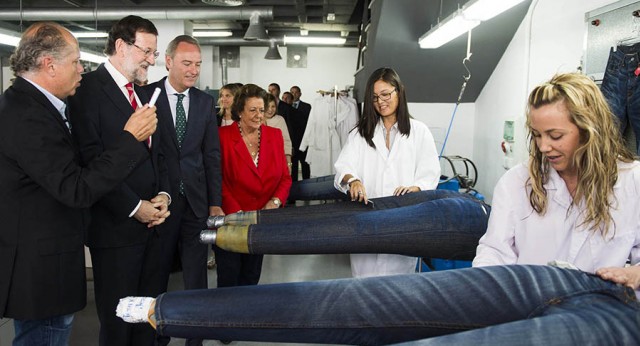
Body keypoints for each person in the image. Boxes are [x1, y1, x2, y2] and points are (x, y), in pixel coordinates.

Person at [118, 72, 640, 345]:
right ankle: (169, 304)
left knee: (368, 246)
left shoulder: (632, 184)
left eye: (556, 135)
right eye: (537, 135)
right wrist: (472, 302)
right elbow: (495, 256)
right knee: (360, 269)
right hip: (508, 272)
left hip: (603, 296)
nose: (545, 146)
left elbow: (430, 175)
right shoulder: (517, 183)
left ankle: (196, 273)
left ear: (589, 128)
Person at [0, 22, 158, 346]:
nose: (81, 69)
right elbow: (76, 188)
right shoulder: (28, 115)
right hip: (41, 270)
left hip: (47, 262)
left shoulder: (36, 107)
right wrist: (130, 139)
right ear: (49, 64)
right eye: (75, 62)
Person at [68, 15, 171, 346]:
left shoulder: (141, 93)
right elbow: (91, 162)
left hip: (153, 228)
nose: (152, 61)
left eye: (154, 54)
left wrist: (163, 196)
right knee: (117, 324)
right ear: (121, 46)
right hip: (115, 230)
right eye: (147, 52)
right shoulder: (86, 92)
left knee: (147, 319)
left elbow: (158, 155)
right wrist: (134, 207)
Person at [143, 35, 223, 346]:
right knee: (157, 273)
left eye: (198, 64)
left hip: (196, 202)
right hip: (159, 204)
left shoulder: (204, 102)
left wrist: (215, 202)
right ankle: (157, 336)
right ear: (169, 61)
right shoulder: (146, 96)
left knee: (196, 276)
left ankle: (195, 336)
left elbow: (211, 155)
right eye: (187, 63)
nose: (193, 70)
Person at [334, 67, 441, 278]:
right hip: (366, 220)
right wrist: (353, 180)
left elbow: (430, 172)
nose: (381, 101)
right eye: (374, 98)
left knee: (399, 288)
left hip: (403, 220)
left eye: (385, 94)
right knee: (364, 285)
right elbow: (343, 166)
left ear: (399, 92)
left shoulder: (419, 131)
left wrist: (416, 188)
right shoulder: (360, 133)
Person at [213, 84, 292, 290]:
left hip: (260, 222)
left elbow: (285, 178)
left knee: (251, 278)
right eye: (252, 110)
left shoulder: (274, 136)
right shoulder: (222, 137)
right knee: (229, 281)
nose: (259, 115)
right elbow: (216, 178)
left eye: (261, 109)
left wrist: (274, 202)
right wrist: (237, 213)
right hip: (231, 221)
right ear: (240, 111)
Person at [288, 85, 312, 182]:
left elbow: (309, 123)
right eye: (292, 92)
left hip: (303, 139)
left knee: (305, 164)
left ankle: (307, 184)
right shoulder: (287, 107)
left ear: (300, 94)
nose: (294, 94)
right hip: (292, 140)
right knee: (293, 165)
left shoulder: (306, 106)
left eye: (296, 92)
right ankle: (293, 187)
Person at [264, 93, 293, 170]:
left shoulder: (280, 120)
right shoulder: (255, 120)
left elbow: (286, 142)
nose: (270, 110)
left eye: (273, 106)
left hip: (278, 162)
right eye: (267, 106)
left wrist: (289, 163)